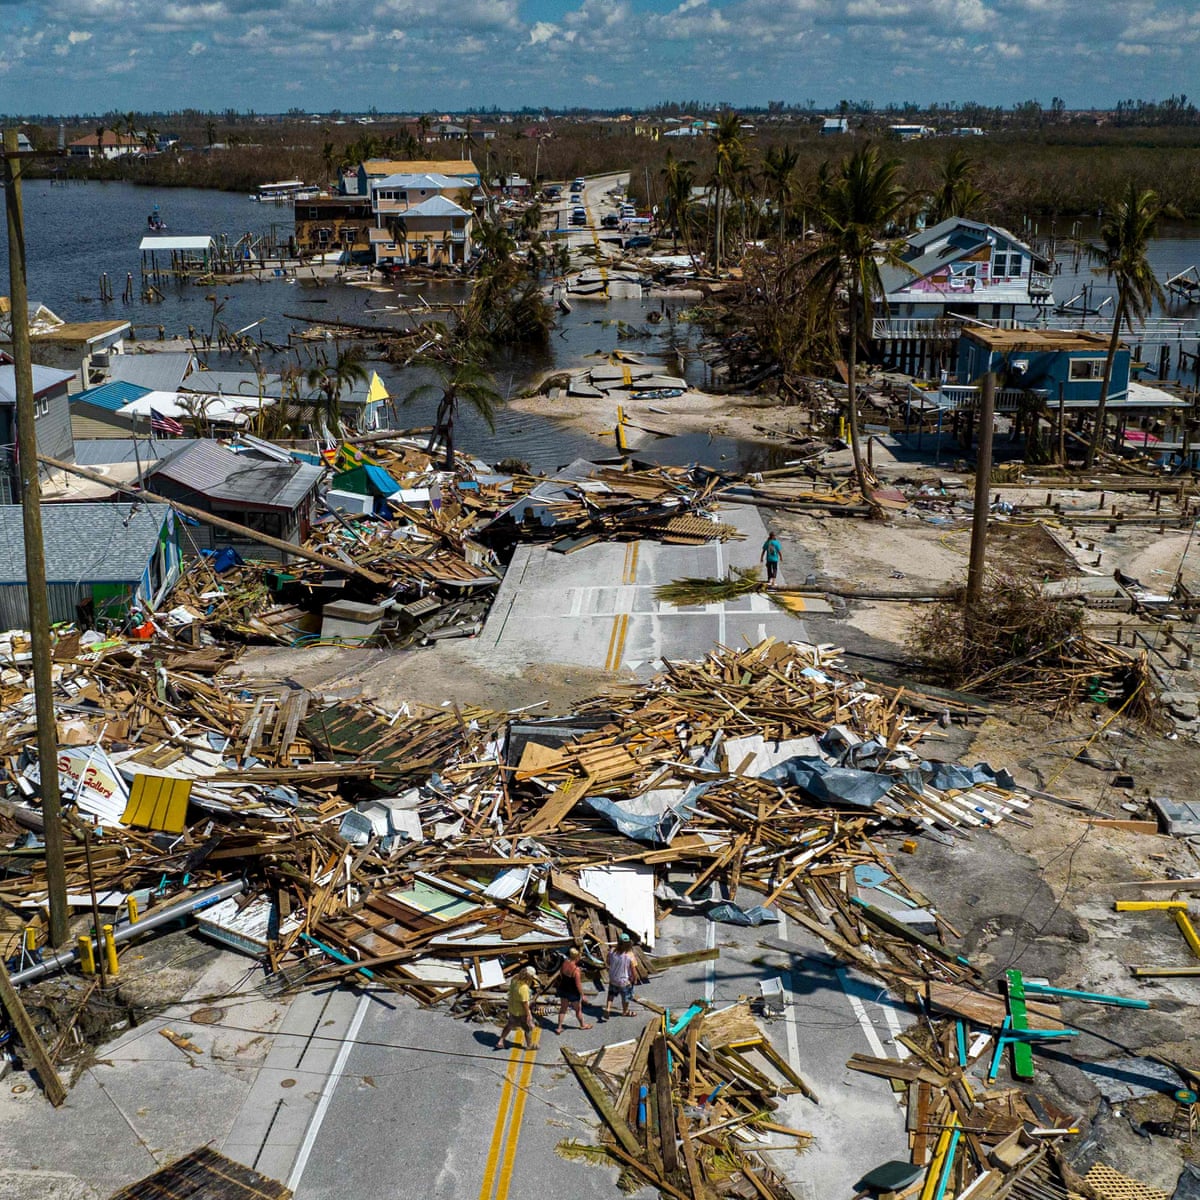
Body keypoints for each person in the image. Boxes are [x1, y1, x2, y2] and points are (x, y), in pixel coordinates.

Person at [498, 965, 538, 1049]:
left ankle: (500, 1041)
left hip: (512, 1008)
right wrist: (529, 1015)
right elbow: (524, 1004)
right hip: (521, 1012)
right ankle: (529, 1045)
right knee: (527, 1029)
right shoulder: (524, 988)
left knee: (509, 1025)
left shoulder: (515, 978)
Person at [554, 947, 593, 1034]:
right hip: (573, 992)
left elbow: (560, 974)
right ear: (577, 957)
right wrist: (582, 995)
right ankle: (583, 1025)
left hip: (563, 989)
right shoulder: (576, 970)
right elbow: (578, 984)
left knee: (563, 1009)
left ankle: (559, 1027)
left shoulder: (564, 963)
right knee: (578, 1010)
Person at [603, 934, 638, 1020]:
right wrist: (635, 979)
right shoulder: (629, 955)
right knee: (625, 997)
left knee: (611, 994)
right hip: (624, 981)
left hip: (613, 978)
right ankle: (625, 1011)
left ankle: (608, 1008)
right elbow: (633, 970)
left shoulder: (612, 951)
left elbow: (608, 962)